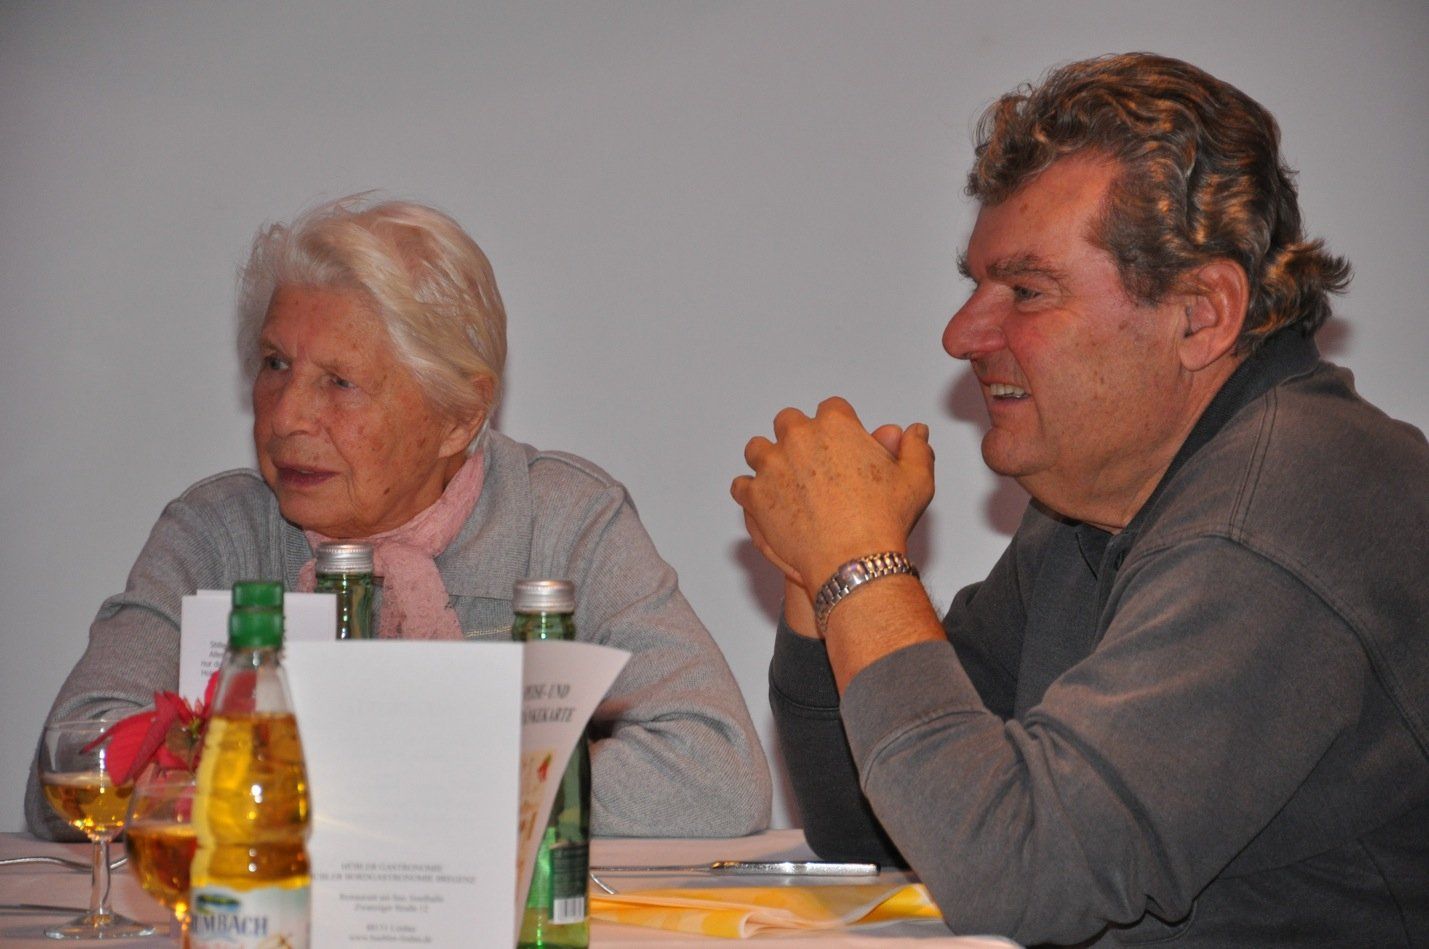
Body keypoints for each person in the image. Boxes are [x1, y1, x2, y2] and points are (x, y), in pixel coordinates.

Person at [732, 53, 1428, 945]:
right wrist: (819, 573)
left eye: (1026, 290)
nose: (961, 333)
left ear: (1201, 312)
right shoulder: (1092, 507)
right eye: (975, 284)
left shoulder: (1277, 515)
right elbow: (878, 826)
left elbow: (1012, 872)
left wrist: (860, 562)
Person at [29, 194, 771, 841]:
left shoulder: (563, 521)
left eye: (339, 382)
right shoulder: (218, 531)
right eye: (275, 364)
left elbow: (716, 771)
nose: (286, 417)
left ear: (460, 416)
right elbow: (75, 769)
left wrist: (395, 782)